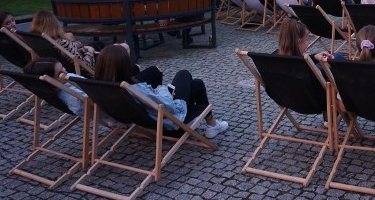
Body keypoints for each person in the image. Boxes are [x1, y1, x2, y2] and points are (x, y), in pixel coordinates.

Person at [94, 44, 228, 138]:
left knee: (196, 85)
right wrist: (161, 89)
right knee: (183, 74)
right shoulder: (132, 88)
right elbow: (168, 106)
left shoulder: (100, 87)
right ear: (124, 66)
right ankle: (212, 124)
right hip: (168, 121)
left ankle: (212, 124)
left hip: (146, 119)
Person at [30, 10, 99, 73]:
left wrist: (73, 45)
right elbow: (85, 67)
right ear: (54, 24)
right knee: (97, 46)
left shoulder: (38, 41)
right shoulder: (62, 43)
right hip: (80, 71)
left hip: (64, 67)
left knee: (95, 44)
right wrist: (90, 51)